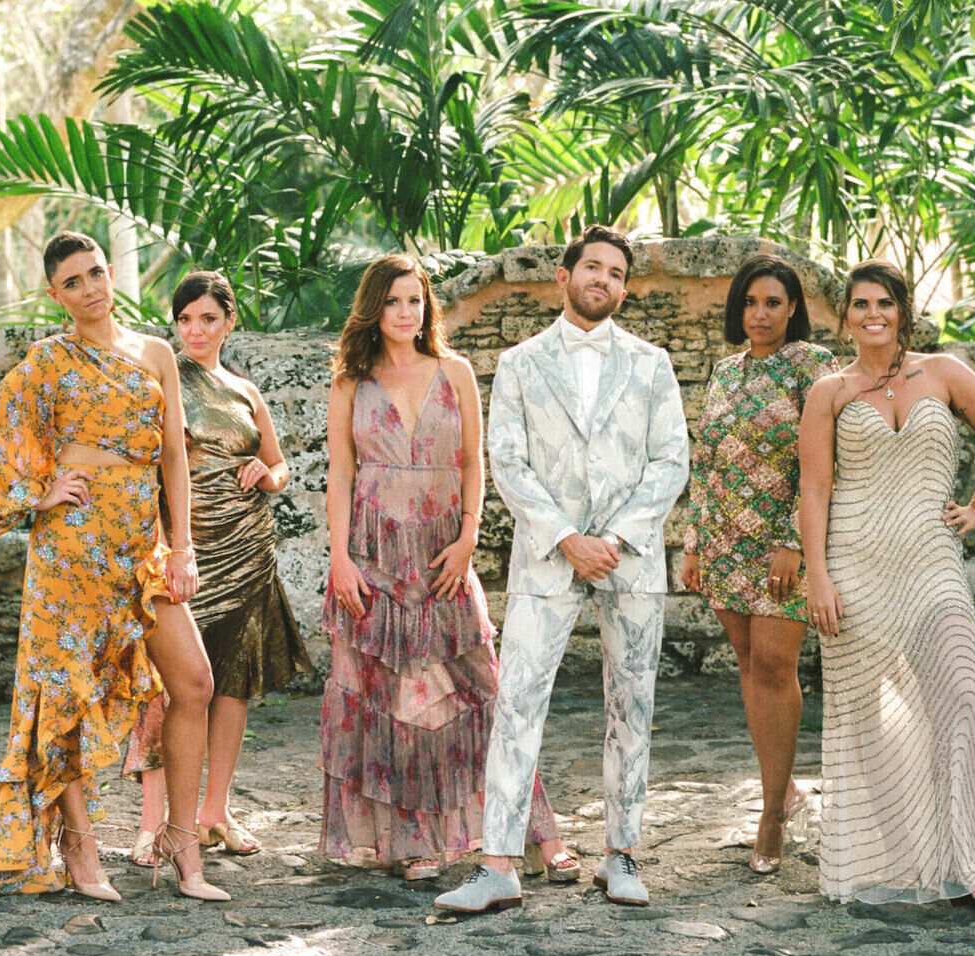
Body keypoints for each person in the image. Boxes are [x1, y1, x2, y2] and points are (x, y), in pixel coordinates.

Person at [0, 231, 224, 902]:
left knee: (194, 682)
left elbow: (174, 459)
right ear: (56, 295)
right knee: (64, 697)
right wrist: (35, 494)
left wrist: (182, 545)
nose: (91, 288)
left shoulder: (156, 353)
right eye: (73, 282)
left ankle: (182, 840)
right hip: (70, 549)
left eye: (96, 272)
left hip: (140, 546)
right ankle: (80, 847)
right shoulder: (49, 361)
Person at [436, 224, 689, 914]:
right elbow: (508, 463)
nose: (603, 279)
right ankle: (498, 867)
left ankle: (621, 854)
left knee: (631, 705)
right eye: (593, 267)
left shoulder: (652, 362)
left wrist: (617, 538)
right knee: (516, 703)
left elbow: (672, 460)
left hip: (631, 561)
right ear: (565, 275)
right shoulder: (520, 363)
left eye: (616, 272)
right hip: (548, 560)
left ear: (625, 288)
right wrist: (568, 537)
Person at [319, 255, 580, 883]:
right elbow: (340, 474)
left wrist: (467, 538)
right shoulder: (351, 381)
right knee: (392, 697)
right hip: (374, 557)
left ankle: (533, 831)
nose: (406, 313)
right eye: (393, 303)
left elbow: (472, 464)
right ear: (373, 310)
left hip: (441, 554)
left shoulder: (455, 371)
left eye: (415, 301)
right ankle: (416, 839)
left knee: (481, 693)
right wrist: (340, 559)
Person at [796, 261, 975, 904]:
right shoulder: (829, 392)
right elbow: (814, 489)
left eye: (885, 302)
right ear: (846, 316)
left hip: (931, 562)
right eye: (861, 303)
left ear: (903, 311)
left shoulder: (945, 373)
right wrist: (818, 576)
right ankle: (889, 862)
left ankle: (972, 863)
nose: (874, 314)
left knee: (956, 695)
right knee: (871, 719)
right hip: (854, 564)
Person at [121, 272, 314, 865]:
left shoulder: (245, 391)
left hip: (249, 551)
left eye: (207, 318)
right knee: (164, 689)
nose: (195, 330)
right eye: (184, 319)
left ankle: (215, 812)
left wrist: (266, 473)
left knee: (232, 686)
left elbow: (279, 466)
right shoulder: (159, 378)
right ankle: (152, 823)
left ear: (229, 321)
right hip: (183, 553)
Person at [681, 253, 838, 874]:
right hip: (723, 541)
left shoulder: (814, 366)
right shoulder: (724, 372)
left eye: (773, 302)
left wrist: (796, 540)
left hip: (781, 546)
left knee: (776, 664)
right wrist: (694, 543)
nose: (760, 314)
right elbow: (708, 460)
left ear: (794, 307)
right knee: (749, 665)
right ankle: (785, 788)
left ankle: (772, 815)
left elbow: (823, 459)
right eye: (750, 302)